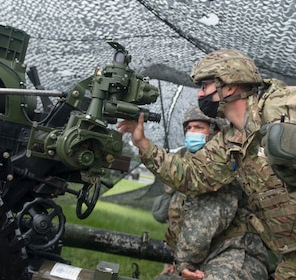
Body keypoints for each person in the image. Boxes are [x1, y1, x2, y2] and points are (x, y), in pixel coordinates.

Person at [117, 48, 296, 280]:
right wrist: (143, 144)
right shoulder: (229, 143)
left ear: (229, 86)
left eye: (205, 86)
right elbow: (191, 176)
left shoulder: (281, 106)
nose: (200, 95)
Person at [152, 106, 269, 280]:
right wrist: (174, 263)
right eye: (189, 128)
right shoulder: (188, 172)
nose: (191, 133)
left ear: (215, 133)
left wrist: (185, 263)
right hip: (202, 258)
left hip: (236, 255)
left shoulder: (223, 168)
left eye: (199, 128)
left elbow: (204, 225)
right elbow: (178, 224)